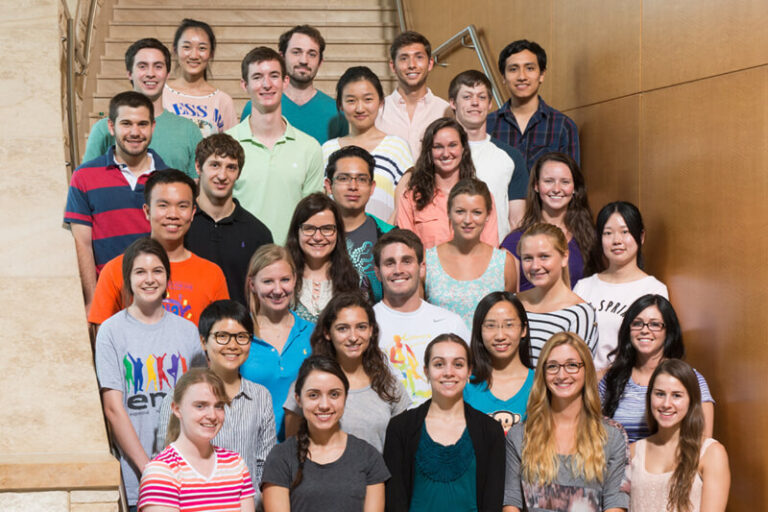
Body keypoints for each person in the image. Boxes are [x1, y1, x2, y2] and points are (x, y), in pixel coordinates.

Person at [95, 237, 204, 509]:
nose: (149, 279)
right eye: (140, 272)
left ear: (168, 277)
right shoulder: (111, 331)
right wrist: (151, 472)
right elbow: (113, 409)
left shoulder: (187, 331)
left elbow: (200, 402)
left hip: (188, 475)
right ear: (128, 278)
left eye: (157, 271)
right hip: (139, 479)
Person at [155, 300, 276, 506]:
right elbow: (168, 460)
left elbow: (265, 466)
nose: (232, 345)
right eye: (222, 336)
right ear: (203, 341)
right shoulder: (179, 396)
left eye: (241, 337)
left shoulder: (260, 396)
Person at [503, 332, 630, 512]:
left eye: (572, 365)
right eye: (553, 366)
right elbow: (511, 501)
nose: (562, 375)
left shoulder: (613, 436)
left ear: (586, 371)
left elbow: (616, 503)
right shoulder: (520, 435)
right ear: (542, 373)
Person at [65, 91, 168, 313]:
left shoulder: (170, 180)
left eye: (142, 124)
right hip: (109, 299)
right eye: (126, 124)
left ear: (153, 127)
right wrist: (94, 301)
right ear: (111, 127)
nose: (135, 132)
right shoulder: (84, 177)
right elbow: (82, 244)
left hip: (162, 300)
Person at [88, 170, 229, 328]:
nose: (173, 214)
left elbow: (220, 338)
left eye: (182, 206)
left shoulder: (212, 275)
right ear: (147, 211)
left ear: (192, 213)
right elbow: (101, 338)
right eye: (163, 205)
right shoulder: (116, 270)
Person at [384, 333, 506, 511]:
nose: (449, 372)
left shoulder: (490, 431)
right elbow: (395, 501)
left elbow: (492, 502)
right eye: (439, 364)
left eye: (458, 364)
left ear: (469, 371)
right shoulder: (400, 428)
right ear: (426, 371)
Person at [284, 292, 411, 452]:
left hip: (378, 477)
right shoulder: (307, 384)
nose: (353, 337)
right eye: (343, 328)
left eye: (361, 327)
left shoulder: (388, 385)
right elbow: (290, 451)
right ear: (327, 333)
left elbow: (400, 451)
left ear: (371, 331)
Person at [262, 355, 390, 512]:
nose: (324, 405)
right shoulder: (281, 457)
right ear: (298, 399)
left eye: (334, 394)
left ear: (345, 397)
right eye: (313, 395)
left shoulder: (369, 456)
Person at [228, 46, 323, 244]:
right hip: (241, 261)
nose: (267, 84)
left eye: (274, 76)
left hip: (291, 262)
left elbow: (312, 217)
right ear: (244, 85)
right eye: (257, 77)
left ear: (285, 81)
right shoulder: (226, 146)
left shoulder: (309, 147)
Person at [372, 229, 470, 404]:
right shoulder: (366, 324)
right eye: (389, 263)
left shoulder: (450, 323)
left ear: (422, 268)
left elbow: (470, 382)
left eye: (407, 261)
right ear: (377, 272)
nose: (398, 270)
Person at [600, 294, 715, 443]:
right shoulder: (612, 378)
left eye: (655, 324)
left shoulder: (690, 378)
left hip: (675, 465)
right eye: (637, 323)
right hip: (617, 465)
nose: (645, 330)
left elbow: (704, 445)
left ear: (669, 331)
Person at [82, 38, 202, 179]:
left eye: (158, 66)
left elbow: (196, 187)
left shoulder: (189, 131)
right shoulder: (104, 129)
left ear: (167, 74)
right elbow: (86, 183)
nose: (150, 73)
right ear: (129, 73)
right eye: (142, 66)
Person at [138, 368, 256, 511]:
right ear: (176, 409)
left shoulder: (236, 464)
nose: (212, 415)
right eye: (200, 406)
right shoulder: (160, 472)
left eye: (219, 406)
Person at [574, 201, 668, 370]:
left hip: (623, 387)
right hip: (579, 384)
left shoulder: (654, 290)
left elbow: (651, 352)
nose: (617, 240)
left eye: (625, 232)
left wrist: (602, 378)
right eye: (608, 233)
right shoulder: (583, 287)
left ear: (641, 237)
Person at [185, 133, 273, 307]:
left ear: (238, 173)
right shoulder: (180, 224)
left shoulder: (258, 233)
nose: (222, 175)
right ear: (198, 166)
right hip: (186, 327)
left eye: (231, 167)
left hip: (238, 331)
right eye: (215, 165)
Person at [630, 359, 730, 512]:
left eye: (676, 395)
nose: (666, 404)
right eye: (659, 394)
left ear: (691, 400)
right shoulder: (632, 451)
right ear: (649, 397)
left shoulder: (711, 453)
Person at [239, 244, 313, 442]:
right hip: (248, 449)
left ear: (295, 280)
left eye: (285, 280)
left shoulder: (312, 333)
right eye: (268, 281)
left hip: (300, 450)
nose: (278, 290)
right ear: (252, 284)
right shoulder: (238, 334)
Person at [323, 66, 413, 222]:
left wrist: (384, 237)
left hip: (385, 241)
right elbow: (323, 203)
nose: (360, 108)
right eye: (351, 100)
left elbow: (402, 206)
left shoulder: (397, 147)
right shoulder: (328, 149)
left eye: (368, 99)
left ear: (380, 102)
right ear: (340, 105)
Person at [395, 117, 499, 249]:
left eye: (452, 145)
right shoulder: (411, 197)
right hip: (427, 269)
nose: (445, 153)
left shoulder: (482, 196)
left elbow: (490, 249)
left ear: (463, 148)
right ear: (429, 152)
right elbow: (407, 250)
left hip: (474, 269)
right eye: (438, 147)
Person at [424, 178, 515, 326]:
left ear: (488, 215)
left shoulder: (504, 263)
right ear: (449, 213)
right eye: (460, 211)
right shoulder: (427, 260)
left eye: (477, 212)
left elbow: (509, 318)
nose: (468, 220)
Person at [449, 69, 528, 235]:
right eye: (467, 97)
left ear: (490, 104)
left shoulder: (510, 157)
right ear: (452, 103)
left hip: (496, 254)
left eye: (482, 97)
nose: (475, 102)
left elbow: (517, 222)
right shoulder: (441, 155)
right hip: (448, 253)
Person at [501, 151, 595, 290]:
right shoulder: (514, 242)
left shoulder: (591, 238)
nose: (556, 189)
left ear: (574, 187)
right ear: (536, 186)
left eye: (565, 182)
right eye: (549, 181)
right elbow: (508, 299)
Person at [241, 25, 347, 144]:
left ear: (320, 62)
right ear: (282, 57)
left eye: (312, 54)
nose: (304, 60)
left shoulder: (336, 112)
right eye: (296, 52)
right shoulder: (255, 106)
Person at [487, 39, 580, 170]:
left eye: (529, 68)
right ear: (503, 77)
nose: (522, 76)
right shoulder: (486, 126)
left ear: (541, 75)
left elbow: (571, 181)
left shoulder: (563, 126)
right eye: (513, 69)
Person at [516, 223, 599, 364]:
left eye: (544, 257)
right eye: (528, 258)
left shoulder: (579, 314)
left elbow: (577, 372)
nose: (535, 266)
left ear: (564, 257)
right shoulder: (513, 303)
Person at [325, 145, 393, 302]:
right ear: (329, 185)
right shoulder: (313, 237)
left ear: (372, 187)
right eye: (343, 178)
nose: (353, 186)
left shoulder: (389, 235)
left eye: (361, 179)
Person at [285, 192, 363, 323]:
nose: (318, 237)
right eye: (309, 228)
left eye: (327, 229)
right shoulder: (281, 278)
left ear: (338, 233)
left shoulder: (356, 279)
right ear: (296, 232)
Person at [465, 292, 535, 434]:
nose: (500, 336)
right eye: (491, 326)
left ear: (523, 329)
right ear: (479, 330)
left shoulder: (541, 383)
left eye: (509, 325)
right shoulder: (465, 385)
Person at [376, 31, 452, 158]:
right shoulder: (378, 111)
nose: (412, 65)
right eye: (404, 58)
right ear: (393, 66)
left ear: (430, 63)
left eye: (419, 57)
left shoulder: (445, 111)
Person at [163, 19, 237, 135]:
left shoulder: (223, 101)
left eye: (202, 48)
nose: (194, 55)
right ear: (175, 50)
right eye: (187, 47)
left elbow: (232, 148)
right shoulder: (161, 95)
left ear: (211, 53)